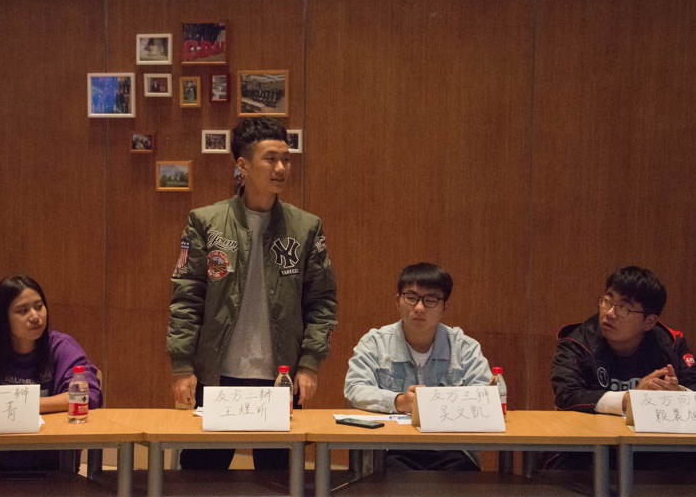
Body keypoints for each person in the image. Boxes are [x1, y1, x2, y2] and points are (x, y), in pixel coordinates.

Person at [168, 116, 338, 470]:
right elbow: (186, 298)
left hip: (281, 375)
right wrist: (181, 365)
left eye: (286, 159)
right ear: (242, 165)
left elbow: (322, 302)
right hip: (216, 373)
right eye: (270, 159)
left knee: (280, 479)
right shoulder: (205, 221)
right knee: (202, 476)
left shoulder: (306, 227)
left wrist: (310, 364)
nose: (281, 168)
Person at [549, 265, 696, 470]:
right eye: (607, 301)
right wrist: (631, 399)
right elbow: (567, 395)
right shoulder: (577, 342)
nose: (610, 313)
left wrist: (678, 394)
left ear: (649, 322)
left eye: (623, 308)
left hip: (655, 450)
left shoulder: (670, 344)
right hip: (591, 449)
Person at [0, 275, 102, 471]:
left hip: (55, 465)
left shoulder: (62, 347)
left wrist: (18, 406)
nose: (35, 316)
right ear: (3, 318)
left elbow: (86, 396)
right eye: (23, 310)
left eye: (39, 306)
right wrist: (17, 407)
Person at [344, 263, 491, 470]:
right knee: (389, 476)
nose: (419, 308)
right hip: (391, 448)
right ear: (398, 301)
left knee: (462, 477)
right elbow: (355, 388)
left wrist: (437, 406)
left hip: (451, 448)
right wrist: (398, 401)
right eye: (411, 298)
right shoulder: (375, 343)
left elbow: (486, 397)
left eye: (430, 300)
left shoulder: (464, 347)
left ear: (445, 308)